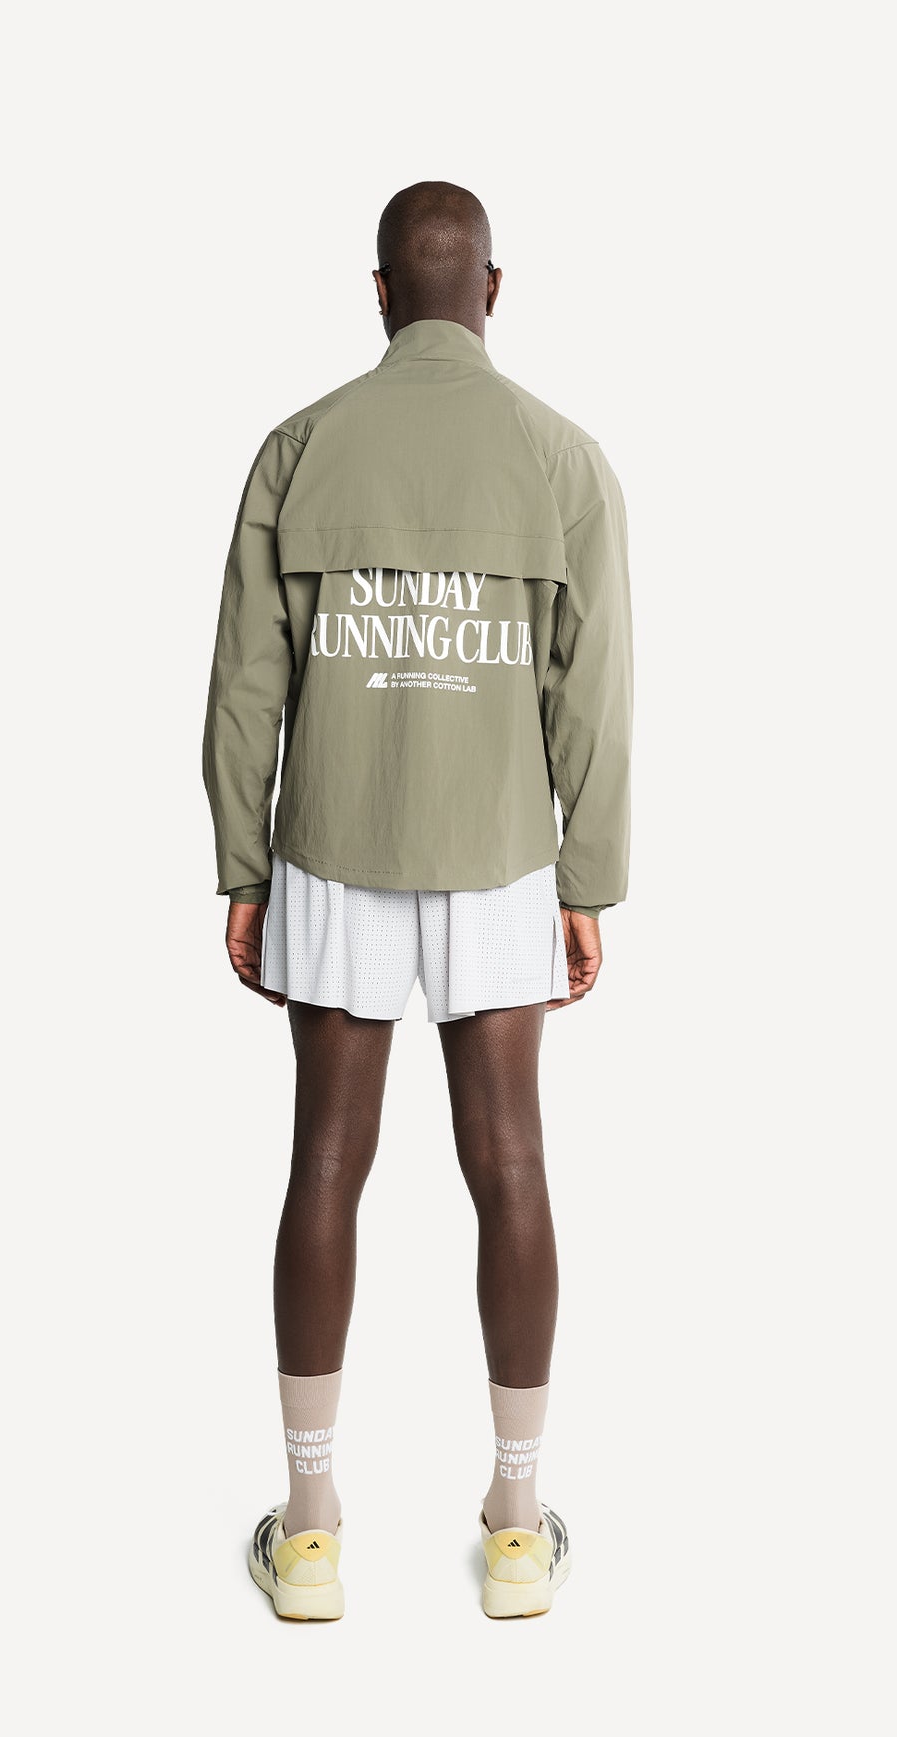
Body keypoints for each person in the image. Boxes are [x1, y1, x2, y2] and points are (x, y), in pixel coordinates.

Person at [203, 181, 633, 1620]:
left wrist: (245, 866)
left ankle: (310, 1526)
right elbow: (596, 697)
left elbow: (245, 684)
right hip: (503, 853)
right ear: (491, 290)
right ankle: (516, 1523)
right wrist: (588, 880)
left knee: (325, 1162)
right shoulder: (564, 461)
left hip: (334, 849)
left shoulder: (300, 447)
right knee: (510, 1163)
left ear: (380, 291)